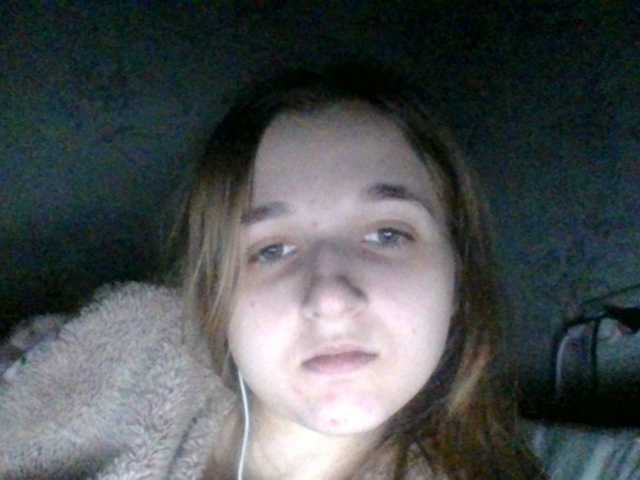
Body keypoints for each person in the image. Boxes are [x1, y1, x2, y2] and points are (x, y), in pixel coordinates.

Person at [0, 64, 546, 479]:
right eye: (272, 249)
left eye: (387, 234)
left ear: (458, 278)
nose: (330, 298)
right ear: (213, 292)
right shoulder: (106, 373)